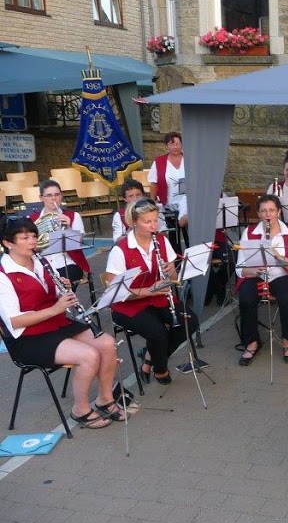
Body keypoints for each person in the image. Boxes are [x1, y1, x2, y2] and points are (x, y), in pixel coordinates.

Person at [0, 218, 124, 429]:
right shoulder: (4, 275)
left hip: (56, 324)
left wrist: (61, 288)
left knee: (107, 343)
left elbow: (52, 294)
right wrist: (56, 308)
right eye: (25, 238)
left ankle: (105, 398)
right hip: (27, 338)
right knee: (89, 355)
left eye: (33, 236)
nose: (32, 242)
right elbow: (14, 320)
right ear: (7, 243)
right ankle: (81, 409)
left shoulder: (40, 260)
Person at [105, 198, 199, 385]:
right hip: (128, 304)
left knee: (190, 322)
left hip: (159, 297)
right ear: (134, 223)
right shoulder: (120, 249)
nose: (153, 225)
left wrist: (169, 270)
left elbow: (172, 275)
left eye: (155, 220)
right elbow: (113, 290)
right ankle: (160, 369)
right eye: (147, 222)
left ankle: (150, 358)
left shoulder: (162, 241)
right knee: (158, 333)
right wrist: (148, 291)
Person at [235, 194, 288, 366]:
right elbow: (240, 268)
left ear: (279, 212)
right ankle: (252, 342)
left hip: (282, 275)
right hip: (257, 275)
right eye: (263, 211)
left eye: (272, 210)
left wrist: (275, 255)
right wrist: (254, 270)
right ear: (259, 214)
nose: (268, 215)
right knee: (246, 297)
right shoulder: (250, 232)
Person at [30, 179, 90, 287]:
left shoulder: (73, 216)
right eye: (49, 195)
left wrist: (68, 228)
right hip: (41, 264)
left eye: (57, 194)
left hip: (68, 262)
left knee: (62, 284)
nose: (53, 198)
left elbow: (78, 243)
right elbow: (30, 247)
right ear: (41, 198)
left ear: (61, 196)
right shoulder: (32, 219)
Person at [149, 131, 188, 248]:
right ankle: (175, 262)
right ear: (166, 146)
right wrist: (152, 202)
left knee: (190, 235)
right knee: (173, 237)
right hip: (169, 203)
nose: (175, 147)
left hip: (188, 202)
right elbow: (153, 183)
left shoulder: (189, 159)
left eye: (178, 144)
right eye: (172, 144)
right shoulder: (159, 161)